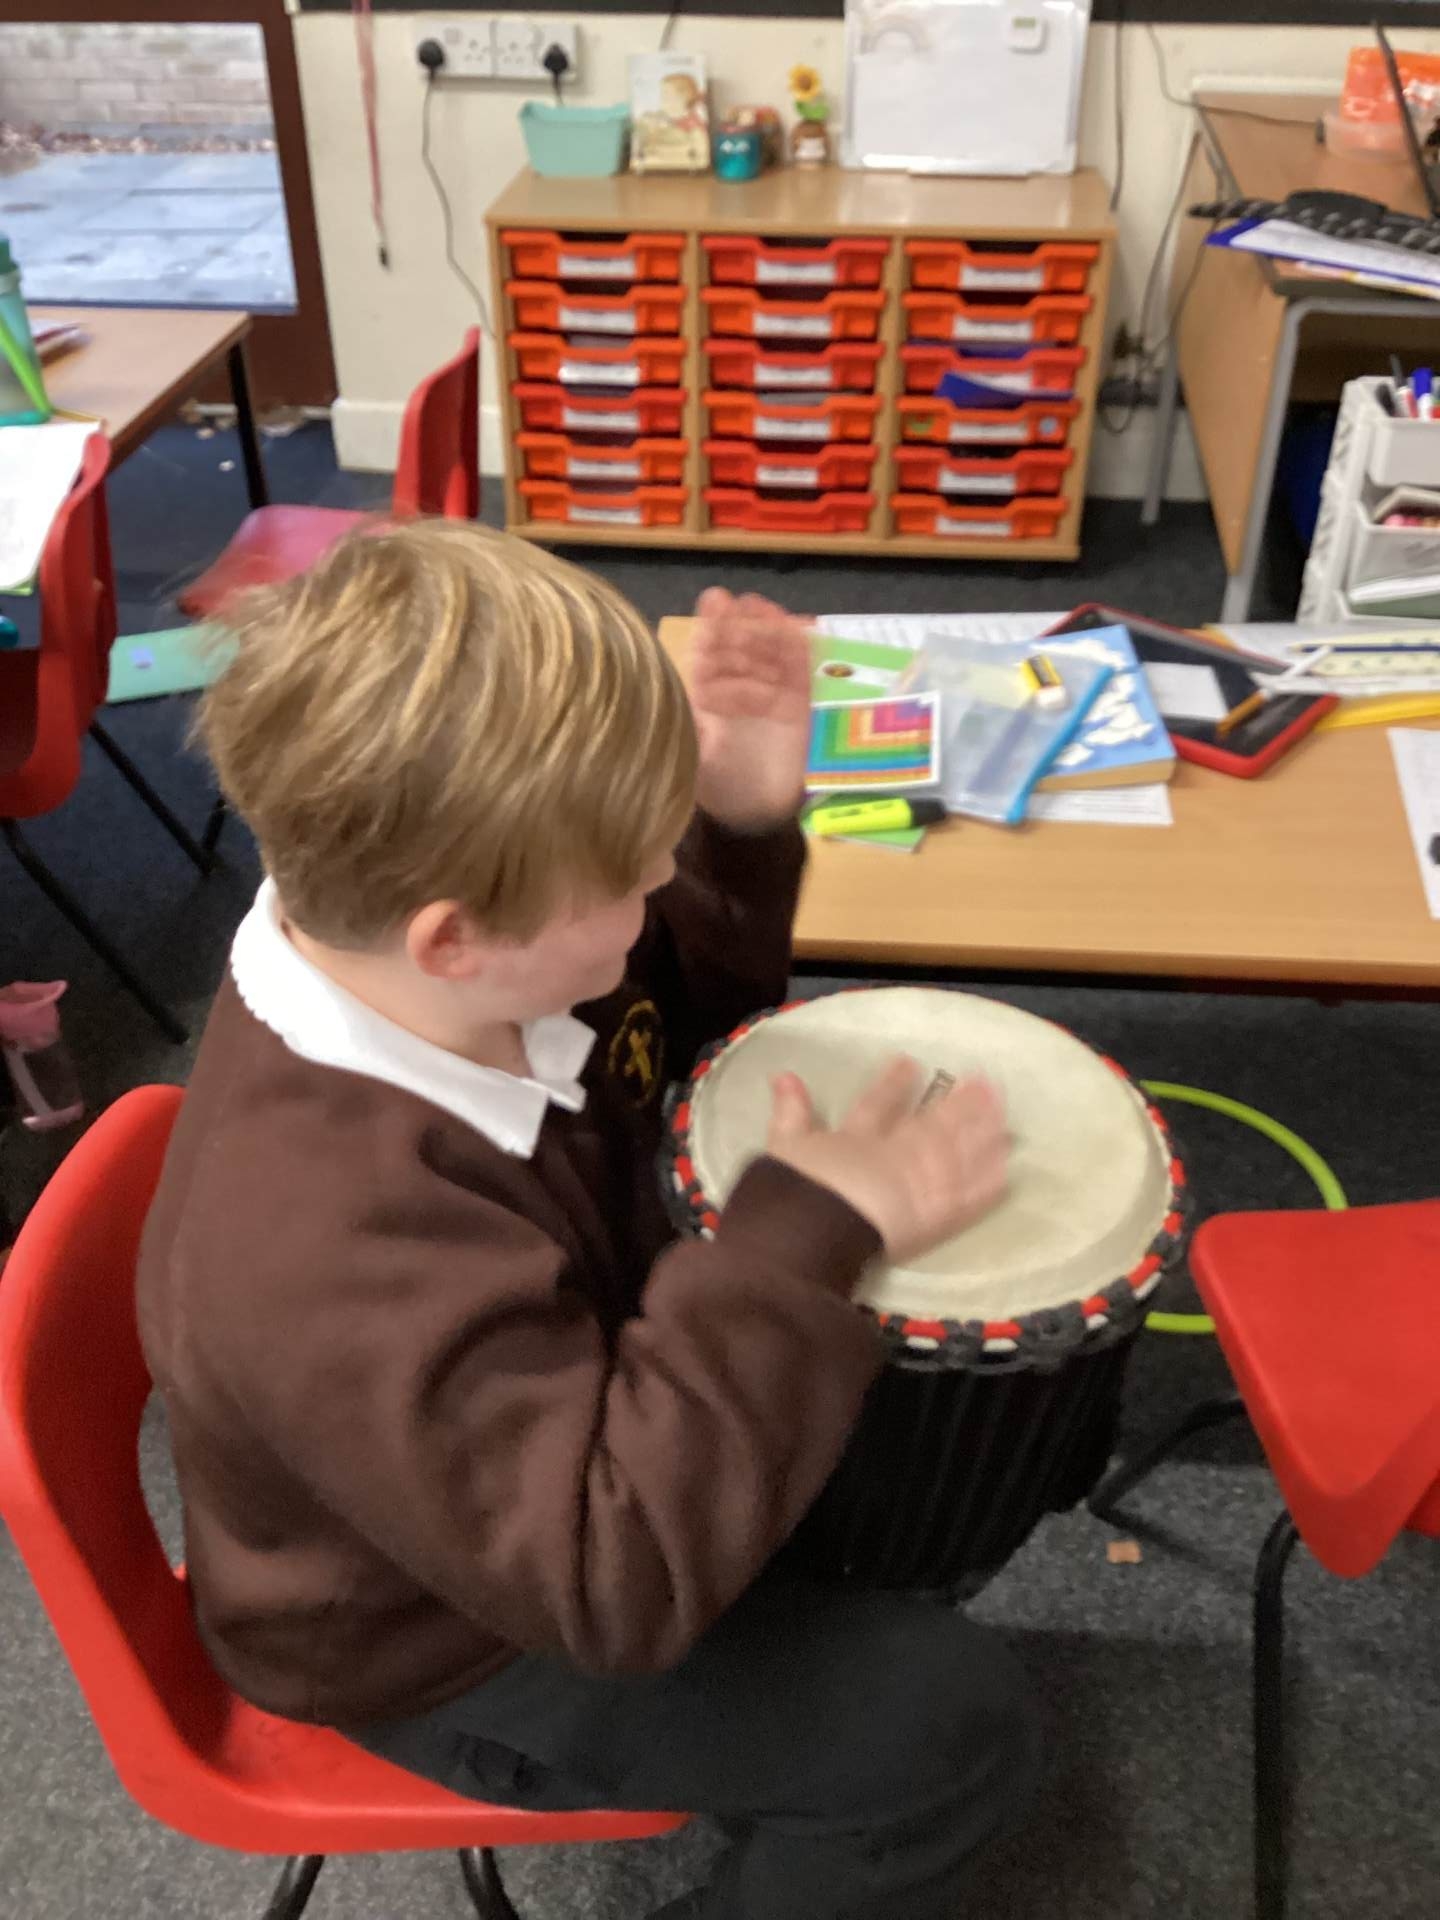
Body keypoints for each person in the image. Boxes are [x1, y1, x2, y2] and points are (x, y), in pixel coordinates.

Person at [137, 521, 1033, 1920]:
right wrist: (802, 1233)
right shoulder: (325, 1248)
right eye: (634, 870)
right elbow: (610, 1589)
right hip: (440, 1640)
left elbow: (654, 1023)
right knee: (948, 1725)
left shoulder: (438, 958)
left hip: (560, 1422)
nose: (657, 885)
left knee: (898, 1429)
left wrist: (738, 818)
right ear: (455, 938)